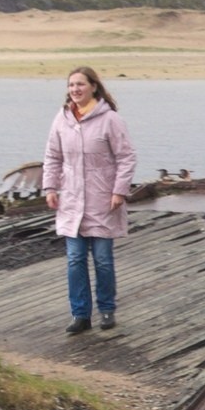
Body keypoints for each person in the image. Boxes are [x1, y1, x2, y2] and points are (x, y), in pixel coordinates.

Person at [41, 66, 137, 334]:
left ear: (93, 86)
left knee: (103, 259)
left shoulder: (110, 120)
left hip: (102, 198)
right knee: (75, 259)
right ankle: (80, 314)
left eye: (80, 84)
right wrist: (50, 187)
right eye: (71, 85)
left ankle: (106, 310)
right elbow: (52, 156)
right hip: (71, 199)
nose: (75, 90)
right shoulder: (61, 119)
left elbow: (126, 157)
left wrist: (119, 190)